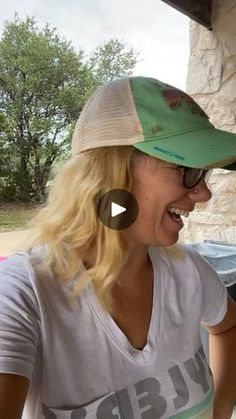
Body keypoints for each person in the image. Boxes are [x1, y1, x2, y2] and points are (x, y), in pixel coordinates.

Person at [0, 76, 236, 419]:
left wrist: (220, 410)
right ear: (113, 173)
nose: (203, 193)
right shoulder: (24, 293)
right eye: (187, 169)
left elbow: (228, 326)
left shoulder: (190, 271)